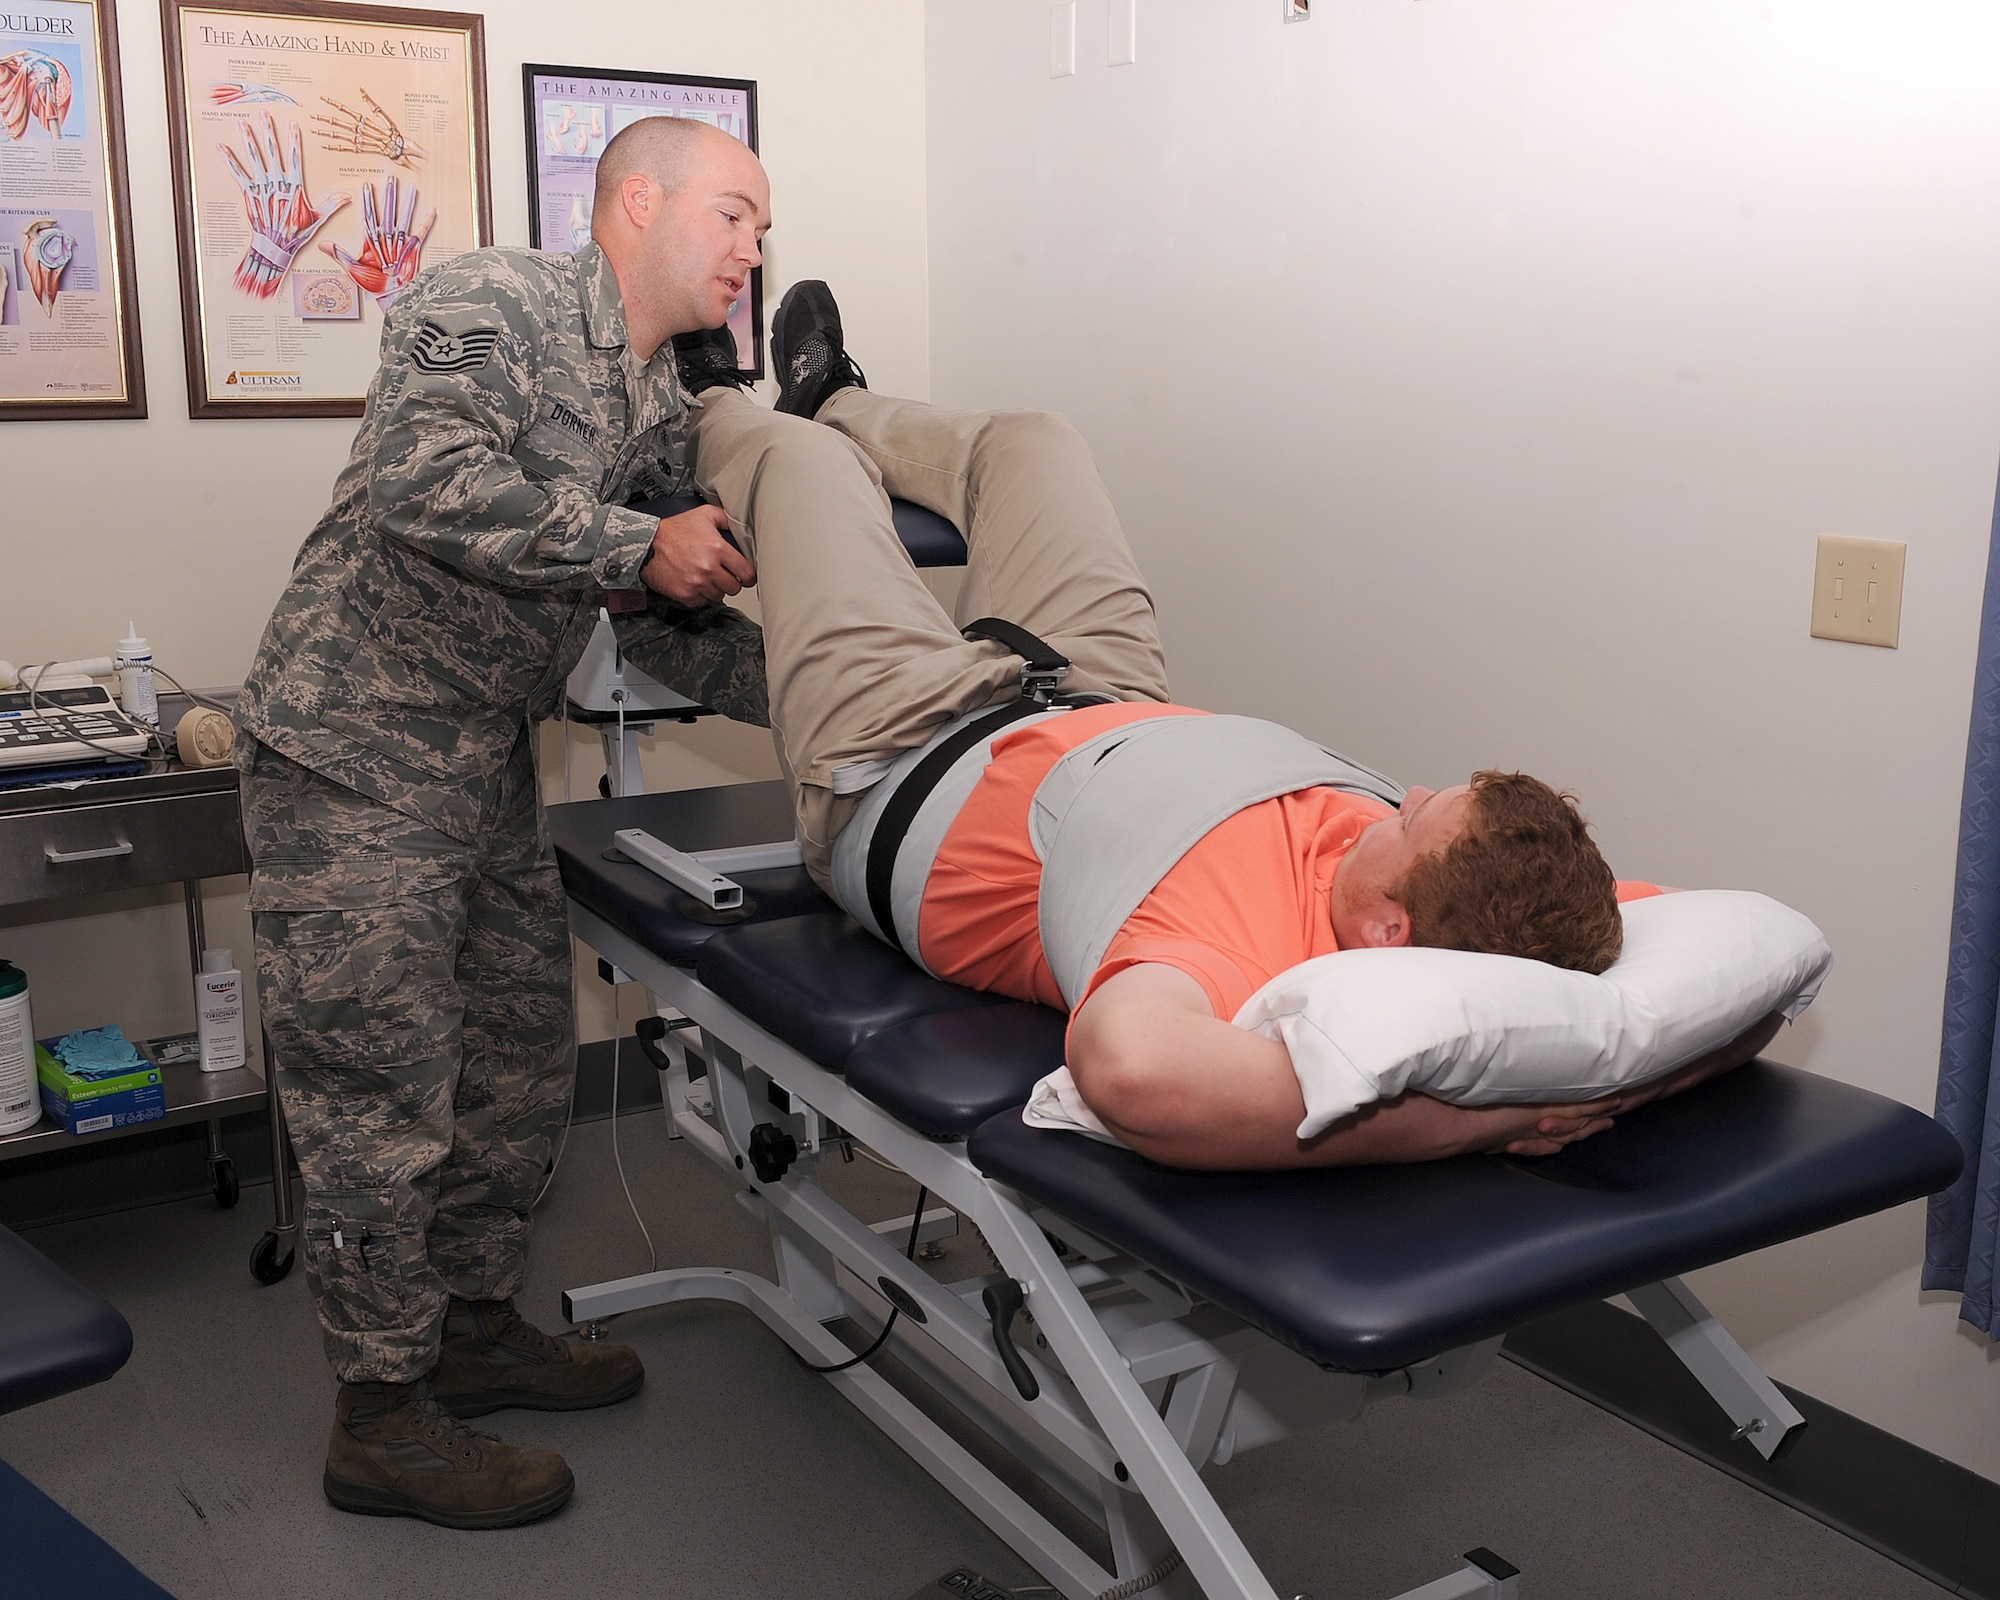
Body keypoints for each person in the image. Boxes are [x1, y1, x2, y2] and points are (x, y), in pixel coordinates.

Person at [673, 280, 1773, 1179]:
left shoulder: (1230, 955)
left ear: (1389, 933)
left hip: (899, 749)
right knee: (1034, 443)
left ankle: (713, 400)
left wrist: (1479, 1122)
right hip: (1097, 688)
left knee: (798, 473)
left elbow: (1132, 1073)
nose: (1403, 794)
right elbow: (1755, 977)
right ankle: (834, 399)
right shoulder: (1534, 900)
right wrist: (1615, 1076)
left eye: (1417, 817)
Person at [235, 117, 776, 1529]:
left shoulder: (656, 405)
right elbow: (425, 487)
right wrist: (628, 543)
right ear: (637, 201)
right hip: (353, 753)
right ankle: (381, 1414)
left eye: (763, 230)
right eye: (733, 216)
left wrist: (835, 689)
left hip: (477, 762)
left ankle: (469, 1331)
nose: (751, 251)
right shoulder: (493, 301)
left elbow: (660, 612)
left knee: (517, 1064)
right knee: (377, 1097)